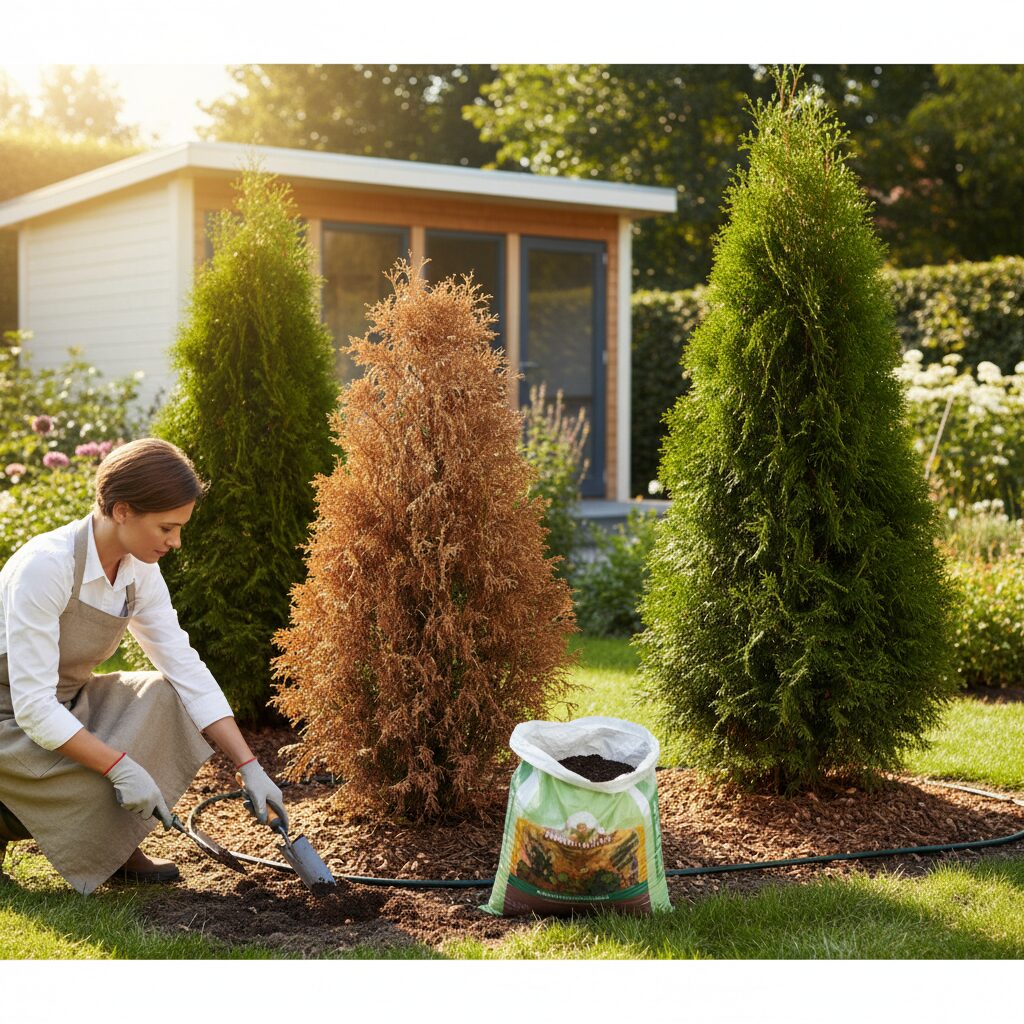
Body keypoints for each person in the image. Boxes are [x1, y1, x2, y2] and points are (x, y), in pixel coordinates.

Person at [0, 438, 287, 894]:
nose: (175, 542)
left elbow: (184, 667)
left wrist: (249, 765)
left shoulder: (138, 570)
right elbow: (32, 707)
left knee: (166, 694)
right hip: (9, 715)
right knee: (102, 773)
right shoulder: (46, 567)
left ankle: (113, 846)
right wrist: (118, 766)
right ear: (122, 511)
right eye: (167, 528)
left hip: (66, 701)